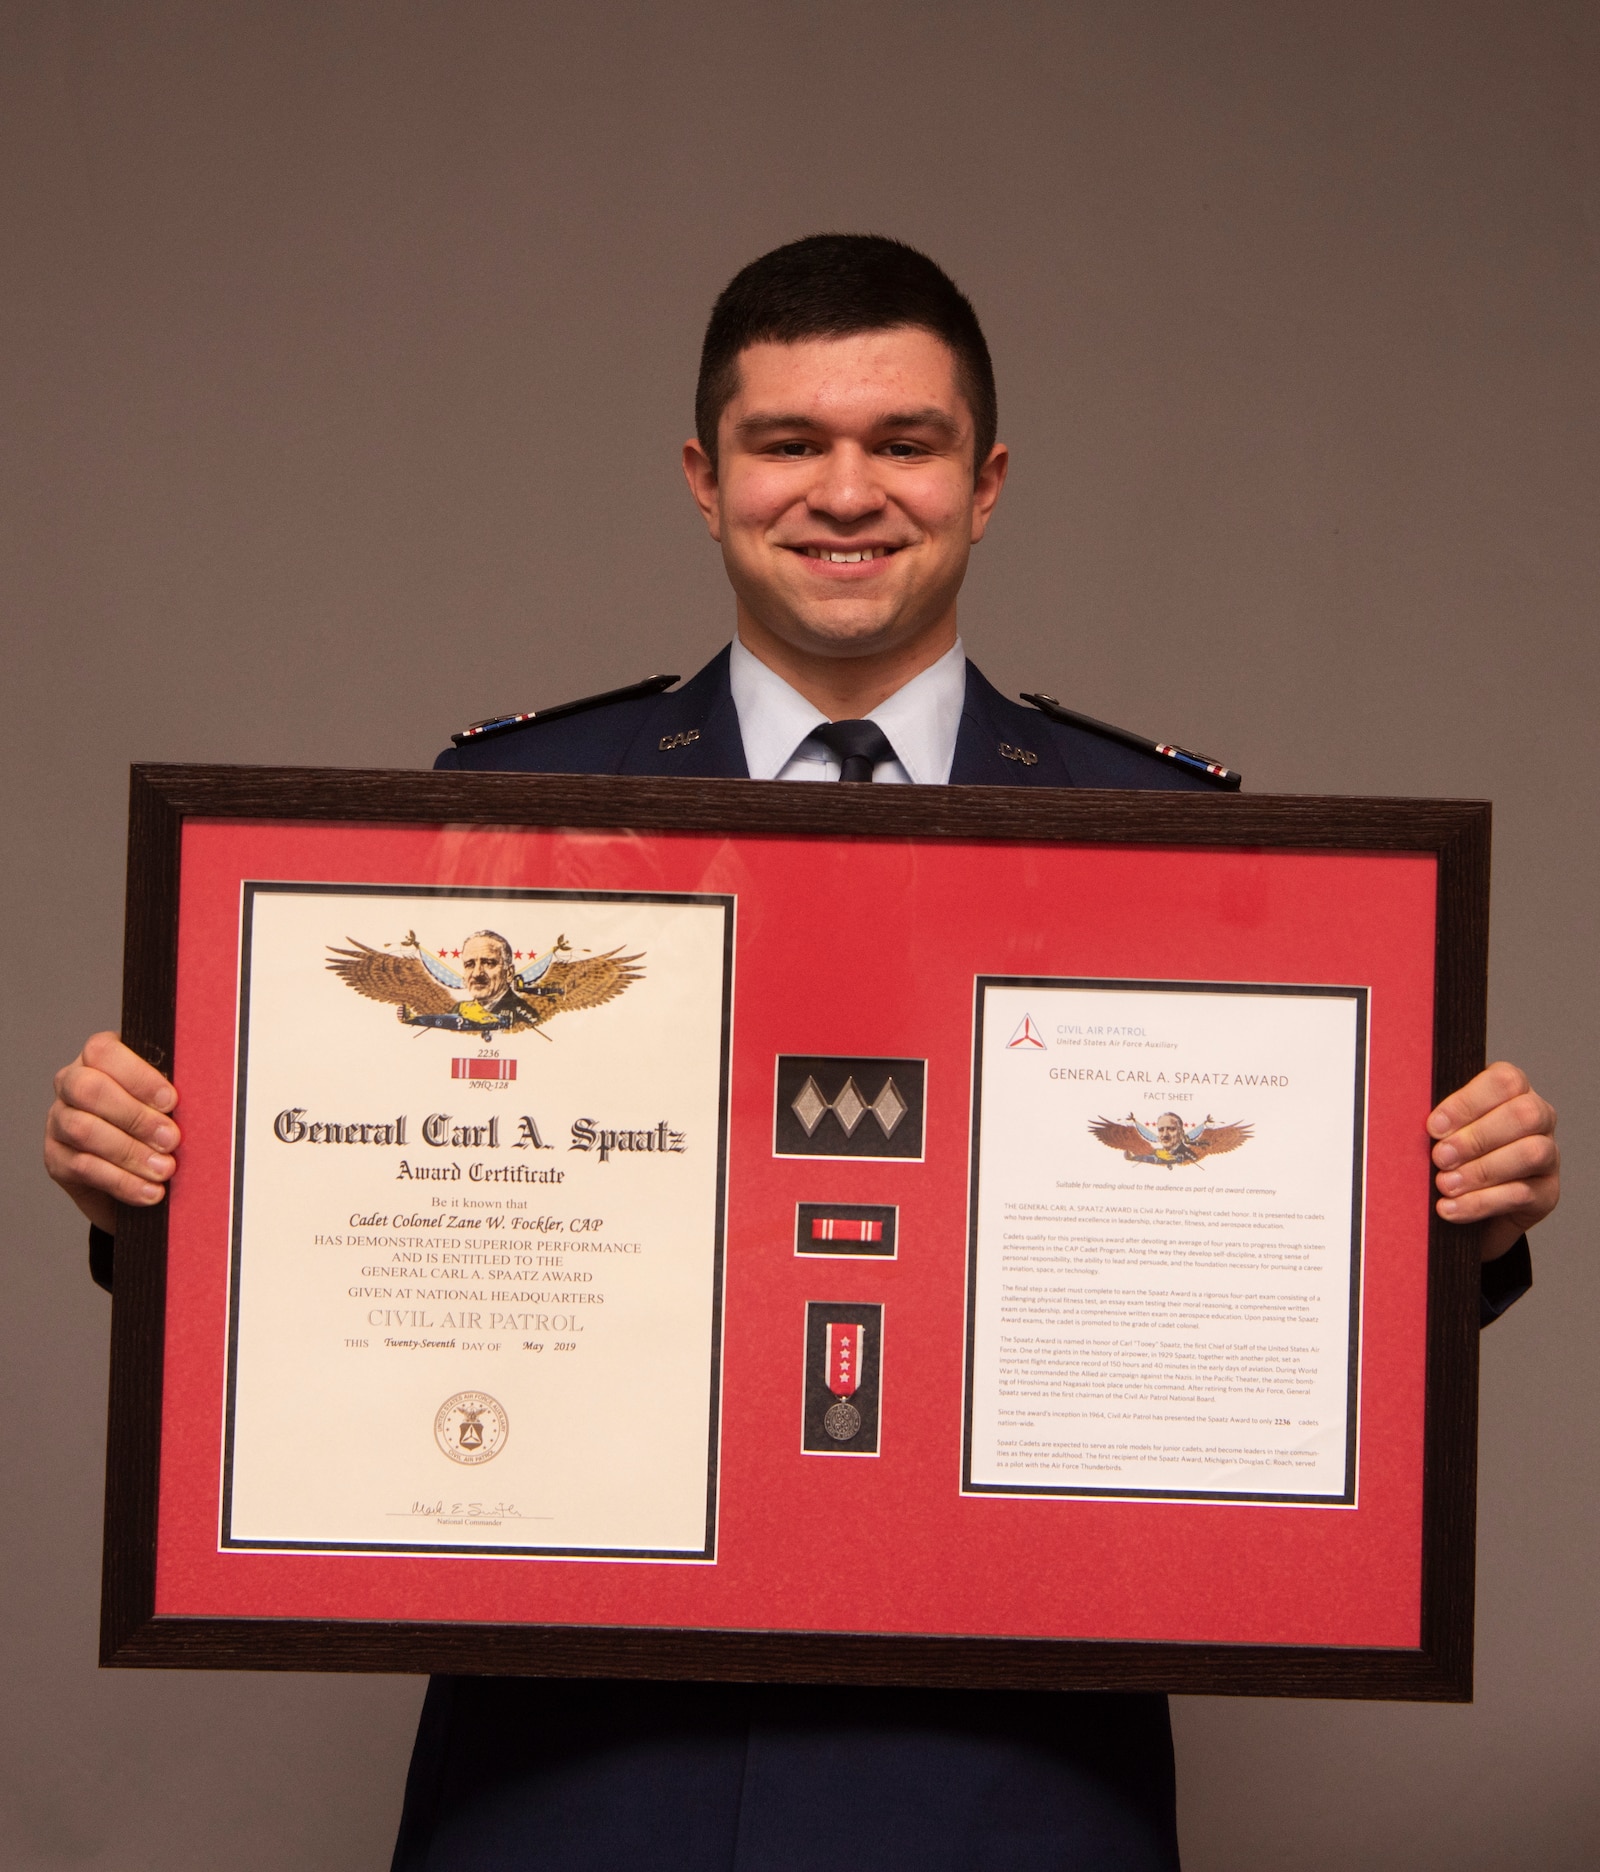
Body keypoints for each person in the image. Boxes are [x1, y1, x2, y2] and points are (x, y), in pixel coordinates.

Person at [45, 235, 1560, 1870]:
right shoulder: (514, 805)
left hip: (1004, 1767)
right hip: (576, 1757)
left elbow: (1252, 1259)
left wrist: (1450, 1210)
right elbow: (370, 1215)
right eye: (790, 445)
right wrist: (158, 1170)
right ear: (707, 478)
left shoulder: (1170, 842)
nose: (848, 494)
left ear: (984, 484)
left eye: (902, 444)